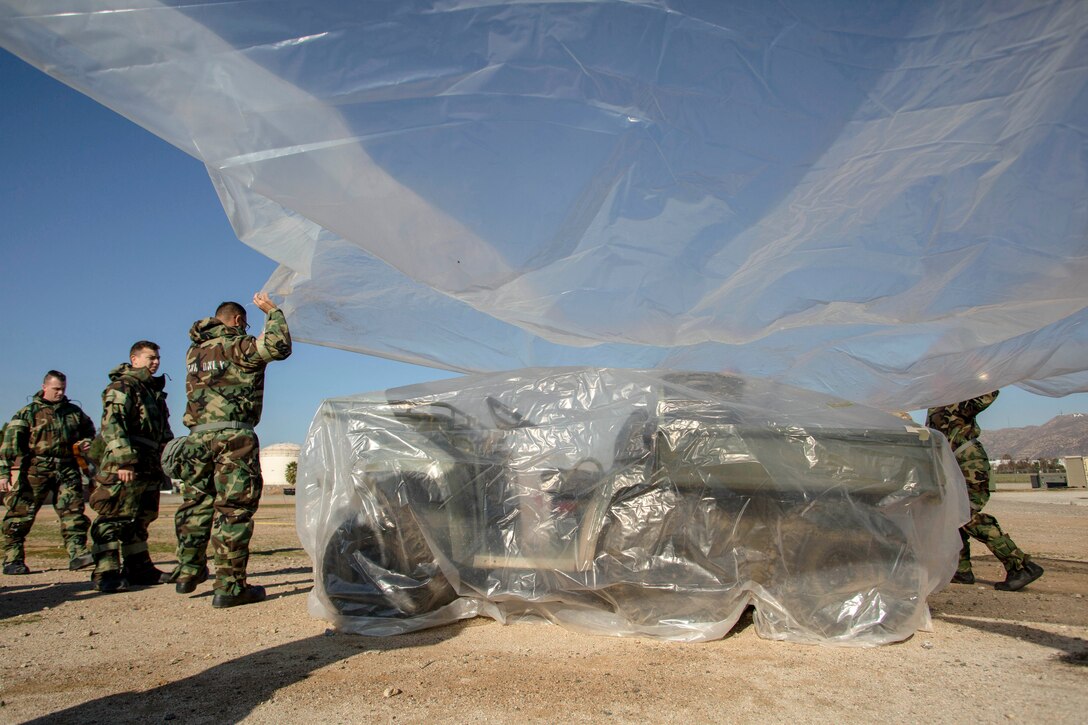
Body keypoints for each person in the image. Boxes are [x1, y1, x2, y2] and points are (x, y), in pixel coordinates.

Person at [163, 292, 291, 608]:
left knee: (195, 504)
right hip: (233, 439)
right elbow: (279, 346)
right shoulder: (237, 345)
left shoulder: (194, 352)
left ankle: (187, 572)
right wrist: (272, 312)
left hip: (195, 439)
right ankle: (230, 587)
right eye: (244, 324)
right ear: (236, 320)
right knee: (233, 510)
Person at [926, 391, 1044, 591]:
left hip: (968, 463)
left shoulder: (959, 397)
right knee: (950, 515)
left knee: (966, 514)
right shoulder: (936, 402)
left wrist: (982, 373)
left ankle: (1021, 565)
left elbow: (988, 393)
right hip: (949, 463)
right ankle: (961, 570)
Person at [89, 341, 174, 592]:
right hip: (125, 462)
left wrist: (168, 458)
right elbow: (113, 424)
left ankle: (139, 568)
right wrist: (124, 460)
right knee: (114, 516)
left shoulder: (152, 391)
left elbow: (163, 432)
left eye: (157, 357)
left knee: (141, 517)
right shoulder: (123, 386)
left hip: (148, 461)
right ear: (134, 359)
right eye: (150, 358)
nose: (155, 362)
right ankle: (106, 572)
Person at [0, 371, 96, 574]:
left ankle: (78, 554)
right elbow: (9, 444)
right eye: (56, 389)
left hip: (67, 468)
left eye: (63, 389)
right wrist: (3, 472)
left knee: (73, 514)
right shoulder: (28, 413)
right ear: (44, 387)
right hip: (36, 469)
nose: (60, 393)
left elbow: (89, 431)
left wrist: (85, 442)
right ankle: (12, 559)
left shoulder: (73, 412)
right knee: (21, 514)